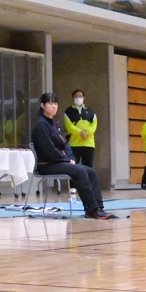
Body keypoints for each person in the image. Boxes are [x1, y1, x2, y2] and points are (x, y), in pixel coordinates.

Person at [31, 90, 113, 218]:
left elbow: (65, 143)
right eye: (50, 103)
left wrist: (71, 157)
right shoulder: (41, 125)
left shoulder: (54, 124)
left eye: (55, 104)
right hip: (47, 165)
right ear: (42, 105)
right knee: (79, 171)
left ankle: (98, 207)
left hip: (59, 162)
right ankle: (91, 209)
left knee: (91, 172)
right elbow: (49, 150)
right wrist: (65, 159)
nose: (54, 106)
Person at [63, 89, 99, 169]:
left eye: (80, 96)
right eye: (76, 96)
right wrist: (80, 133)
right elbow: (69, 126)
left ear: (83, 98)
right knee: (74, 167)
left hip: (89, 144)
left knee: (88, 167)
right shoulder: (68, 112)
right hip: (74, 144)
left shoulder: (90, 111)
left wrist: (87, 132)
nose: (78, 98)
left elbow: (94, 124)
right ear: (72, 98)